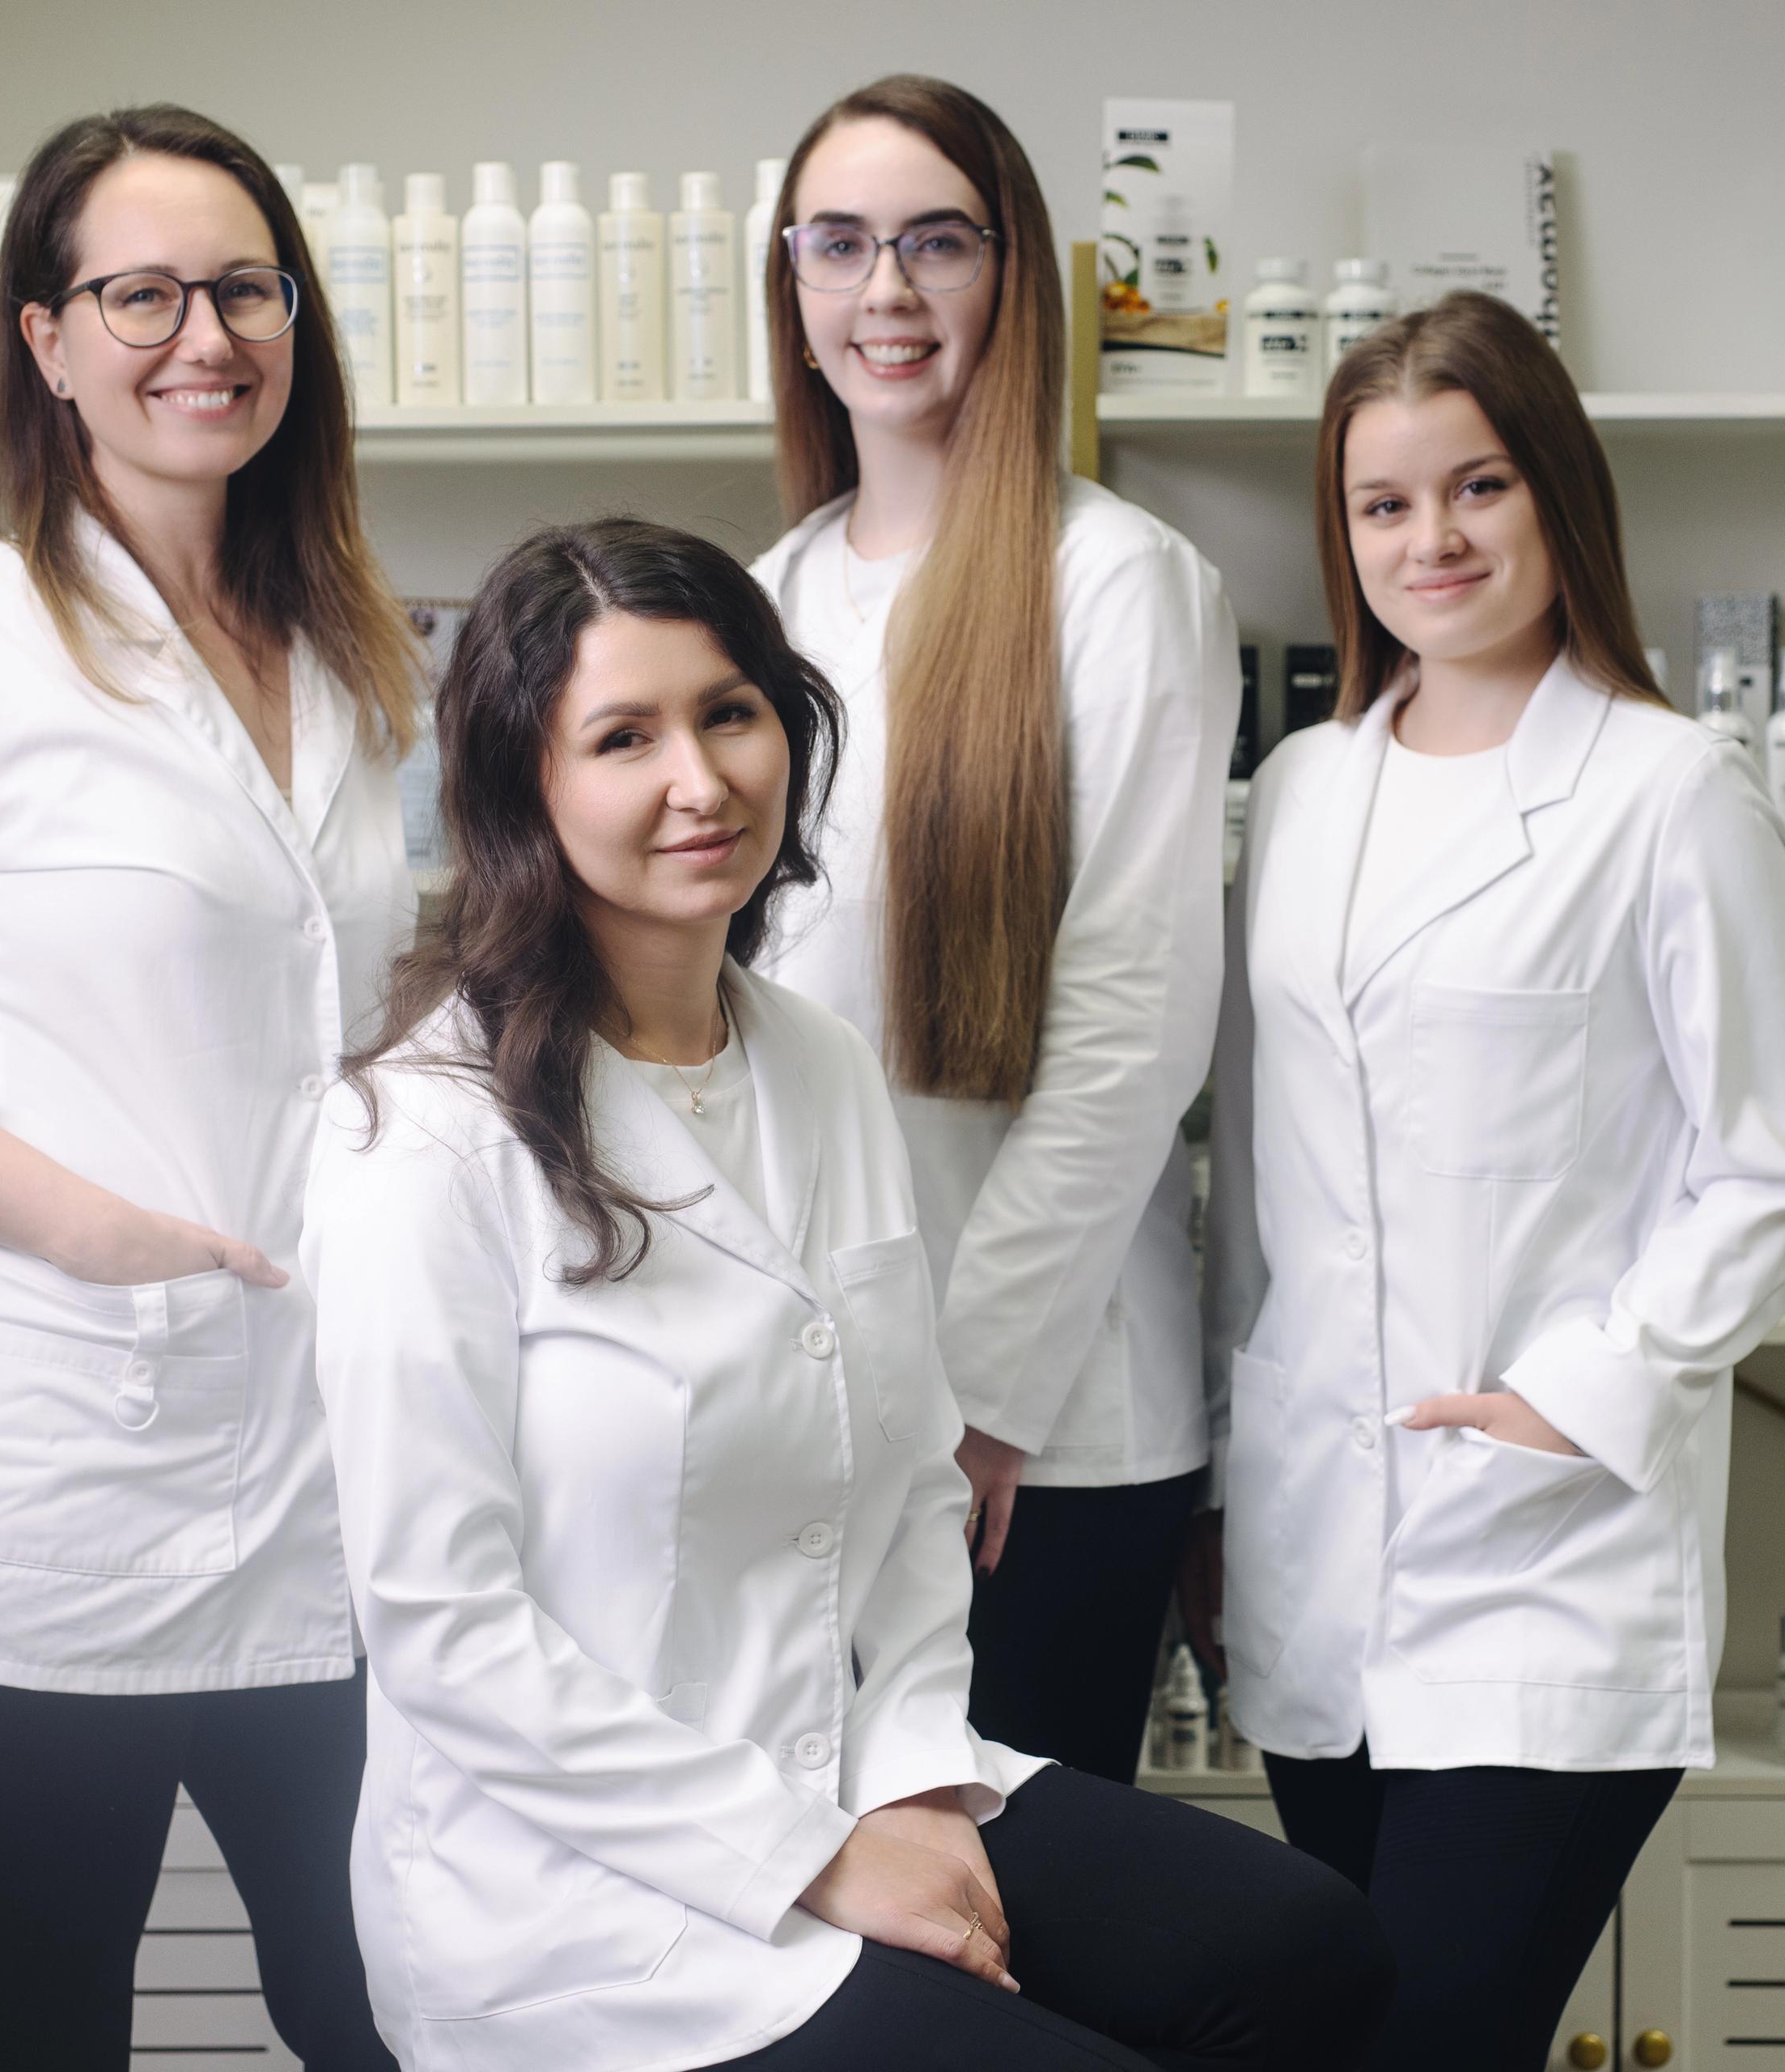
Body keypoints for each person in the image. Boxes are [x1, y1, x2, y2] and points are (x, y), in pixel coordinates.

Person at [302, 516, 1390, 2072]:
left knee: (1309, 1951)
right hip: (584, 1895)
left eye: (730, 712)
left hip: (847, 1763)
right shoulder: (425, 1136)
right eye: (623, 737)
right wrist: (811, 1856)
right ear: (521, 789)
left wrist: (912, 1782)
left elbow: (904, 1497)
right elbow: (444, 1635)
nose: (702, 780)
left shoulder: (810, 1062)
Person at [0, 104, 415, 2071]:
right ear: (43, 339)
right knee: (28, 2038)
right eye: (141, 292)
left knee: (394, 2012)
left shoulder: (342, 647)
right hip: (44, 1503)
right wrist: (84, 1221)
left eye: (246, 287)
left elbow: (337, 1009)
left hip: (331, 1491)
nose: (205, 335)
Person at [1200, 290, 1785, 2072]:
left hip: (1544, 1547)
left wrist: (1568, 1392)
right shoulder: (1299, 785)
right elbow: (1259, 1157)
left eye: (1474, 488)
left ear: (1553, 498)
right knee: (1358, 2022)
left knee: (1432, 2037)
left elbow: (1761, 1158)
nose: (1428, 540)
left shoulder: (1668, 789)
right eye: (1382, 503)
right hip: (1318, 1536)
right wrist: (1232, 1480)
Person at [748, 76, 1240, 1783]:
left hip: (1030, 1438)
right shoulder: (768, 592)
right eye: (841, 245)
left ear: (1011, 279)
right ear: (793, 289)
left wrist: (966, 1404)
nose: (885, 289)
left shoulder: (1117, 584)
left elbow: (1130, 1029)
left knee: (1016, 1960)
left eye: (935, 241)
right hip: (815, 1421)